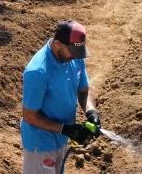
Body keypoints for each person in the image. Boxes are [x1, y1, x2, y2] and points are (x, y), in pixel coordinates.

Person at [20, 20, 101, 174]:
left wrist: (91, 113)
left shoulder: (74, 56)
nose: (75, 57)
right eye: (72, 52)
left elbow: (83, 91)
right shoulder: (38, 72)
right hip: (41, 142)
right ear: (57, 43)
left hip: (61, 138)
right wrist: (66, 129)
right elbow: (29, 116)